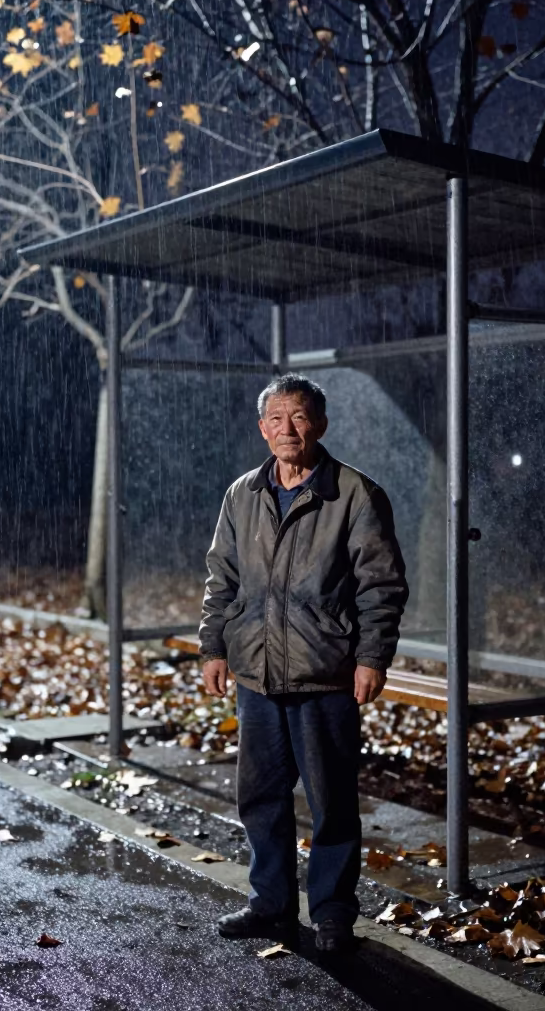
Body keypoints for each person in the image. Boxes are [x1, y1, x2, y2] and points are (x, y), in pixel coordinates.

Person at [198, 373, 408, 953]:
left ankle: (334, 914)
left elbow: (381, 585)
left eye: (298, 416)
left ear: (320, 423)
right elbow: (223, 578)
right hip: (258, 674)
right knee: (260, 798)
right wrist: (214, 646)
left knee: (332, 800)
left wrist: (371, 657)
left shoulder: (355, 494)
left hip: (326, 672)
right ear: (262, 427)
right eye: (276, 418)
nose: (287, 429)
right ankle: (270, 903)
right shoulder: (242, 493)